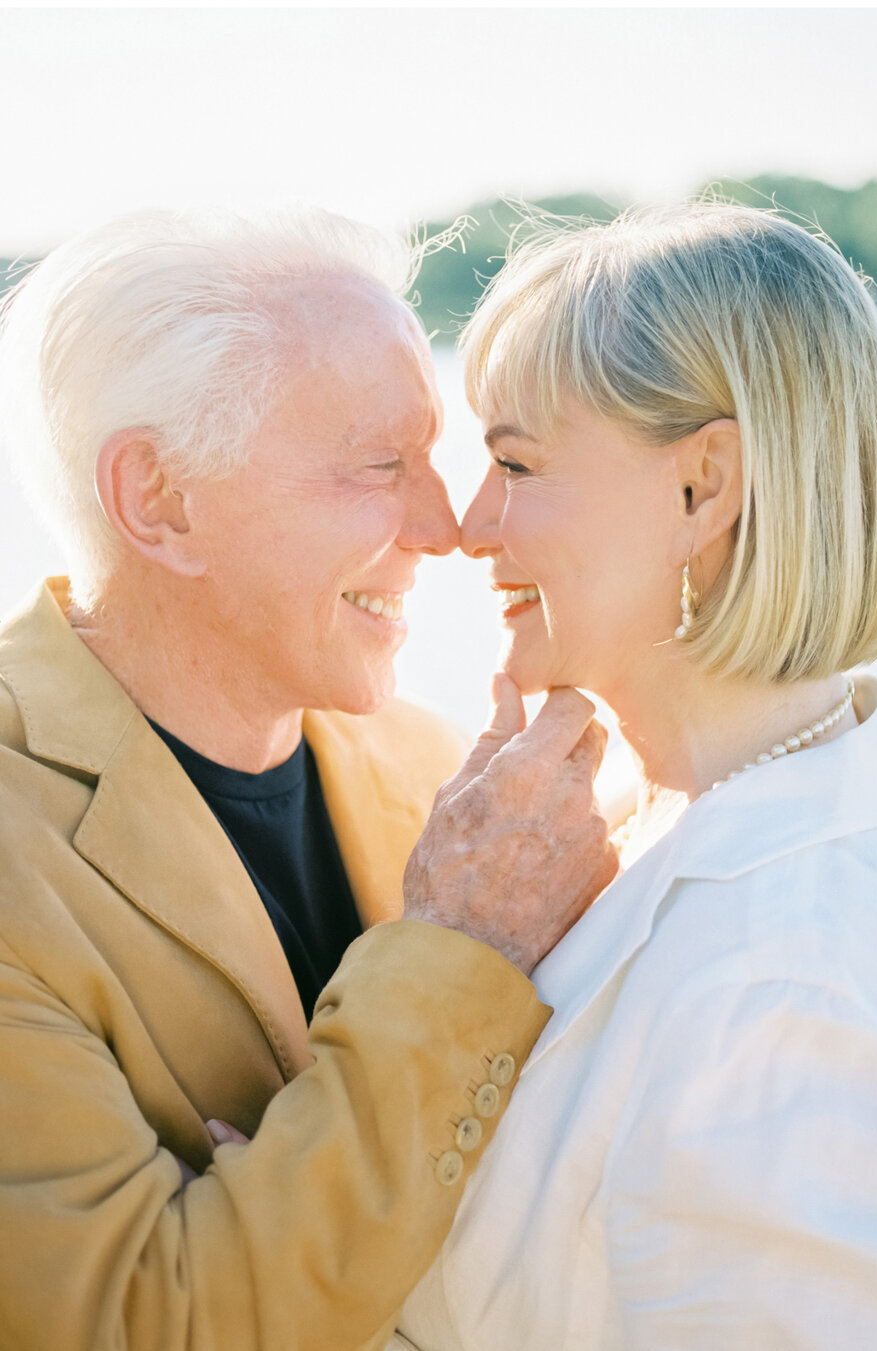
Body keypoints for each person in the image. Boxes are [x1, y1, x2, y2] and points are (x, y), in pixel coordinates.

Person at [0, 208, 618, 1351]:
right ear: (160, 500)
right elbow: (140, 1321)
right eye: (380, 466)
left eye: (437, 458)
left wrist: (278, 1192)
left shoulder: (444, 777)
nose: (447, 527)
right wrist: (461, 954)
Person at [392, 204, 877, 1350]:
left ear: (701, 491)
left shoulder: (790, 967)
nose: (467, 525)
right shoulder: (652, 815)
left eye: (514, 462)